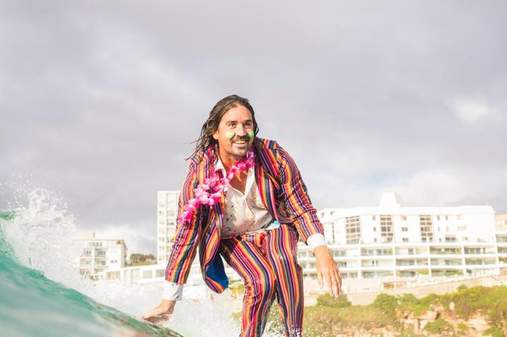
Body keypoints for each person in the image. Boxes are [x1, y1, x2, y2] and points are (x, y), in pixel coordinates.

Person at [142, 95, 341, 337]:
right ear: (215, 132)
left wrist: (321, 250)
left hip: (274, 226)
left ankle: (294, 333)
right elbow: (187, 234)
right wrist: (168, 300)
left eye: (247, 124)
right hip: (231, 237)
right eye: (232, 125)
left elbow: (299, 203)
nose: (241, 132)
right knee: (262, 280)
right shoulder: (201, 176)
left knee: (285, 263)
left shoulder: (273, 156)